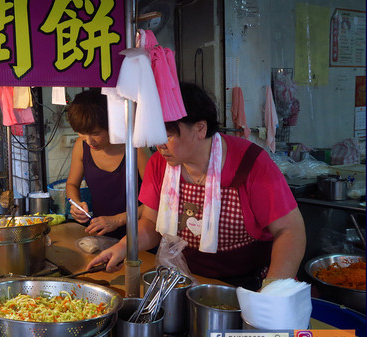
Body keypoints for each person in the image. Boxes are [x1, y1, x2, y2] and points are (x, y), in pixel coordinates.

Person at [88, 82, 306, 291]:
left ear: (200, 128)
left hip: (249, 282)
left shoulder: (250, 162)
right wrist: (122, 247)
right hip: (187, 279)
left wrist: (271, 292)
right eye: (156, 134)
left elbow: (290, 231)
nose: (159, 144)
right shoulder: (159, 164)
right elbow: (150, 224)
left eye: (168, 135)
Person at [65, 89, 149, 239]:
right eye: (82, 133)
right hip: (101, 233)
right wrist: (76, 203)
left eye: (96, 133)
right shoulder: (81, 146)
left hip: (140, 236)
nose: (89, 141)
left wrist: (117, 220)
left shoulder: (135, 148)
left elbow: (157, 202)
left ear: (112, 125)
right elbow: (71, 184)